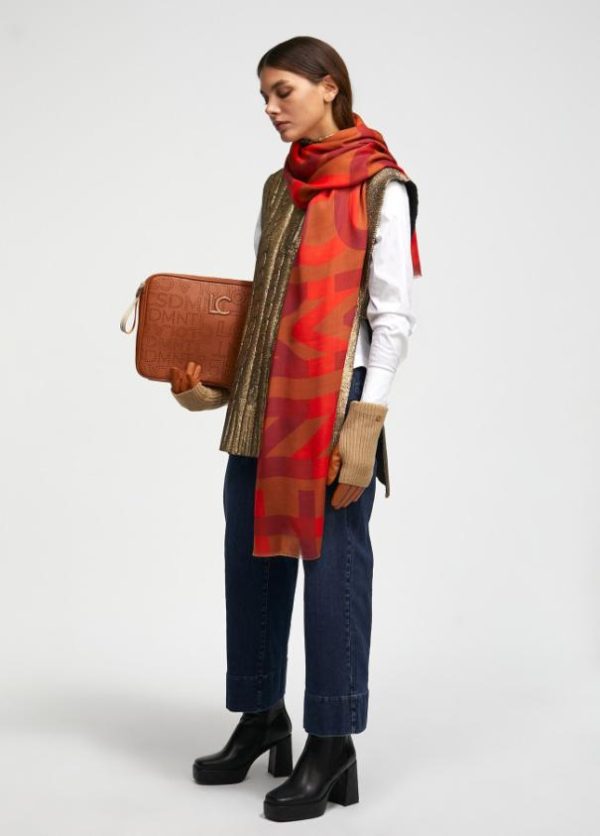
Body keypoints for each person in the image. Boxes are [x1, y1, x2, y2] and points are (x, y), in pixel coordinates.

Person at [169, 35, 422, 823]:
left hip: (334, 401)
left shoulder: (382, 186)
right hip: (265, 398)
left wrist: (365, 419)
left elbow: (392, 318)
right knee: (249, 559)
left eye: (283, 91)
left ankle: (332, 739)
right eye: (264, 97)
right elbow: (265, 305)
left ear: (329, 86)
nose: (272, 109)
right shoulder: (279, 188)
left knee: (333, 568)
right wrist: (216, 385)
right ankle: (261, 716)